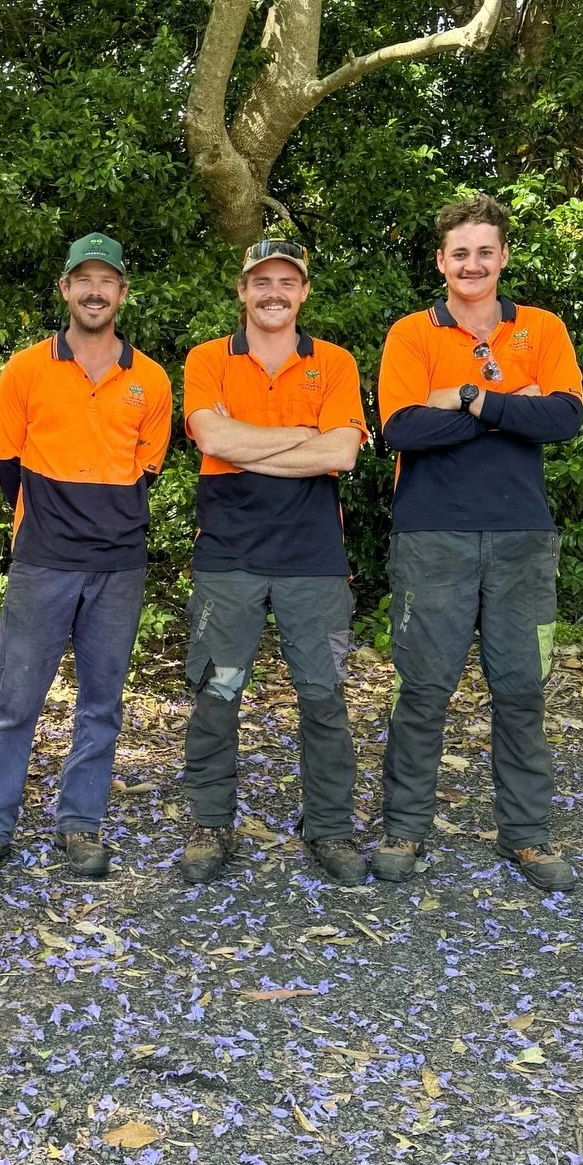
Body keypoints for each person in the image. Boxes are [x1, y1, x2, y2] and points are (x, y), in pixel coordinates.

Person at [375, 194, 583, 891]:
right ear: (441, 261)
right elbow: (401, 429)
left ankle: (525, 836)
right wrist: (508, 408)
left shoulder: (542, 328)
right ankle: (404, 830)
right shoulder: (411, 333)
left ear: (502, 258)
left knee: (522, 690)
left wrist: (465, 399)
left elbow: (562, 419)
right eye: (459, 253)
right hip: (432, 536)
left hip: (522, 537)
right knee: (423, 688)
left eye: (483, 252)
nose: (472, 264)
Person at [0, 233, 172, 884]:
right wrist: (52, 521)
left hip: (119, 565)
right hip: (43, 560)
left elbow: (147, 469)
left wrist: (102, 521)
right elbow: (5, 463)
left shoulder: (152, 379)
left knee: (102, 704)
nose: (95, 291)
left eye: (107, 280)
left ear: (122, 293)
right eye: (84, 280)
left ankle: (80, 827)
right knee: (14, 703)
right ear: (65, 289)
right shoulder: (25, 370)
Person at [179, 236, 369, 885]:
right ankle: (210, 824)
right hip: (227, 556)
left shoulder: (335, 362)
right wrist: (303, 437)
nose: (274, 292)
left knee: (323, 698)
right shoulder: (207, 359)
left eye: (287, 282)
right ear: (242, 290)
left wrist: (249, 445)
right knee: (216, 695)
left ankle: (331, 828)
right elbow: (212, 435)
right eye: (262, 281)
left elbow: (342, 454)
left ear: (304, 292)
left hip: (313, 559)